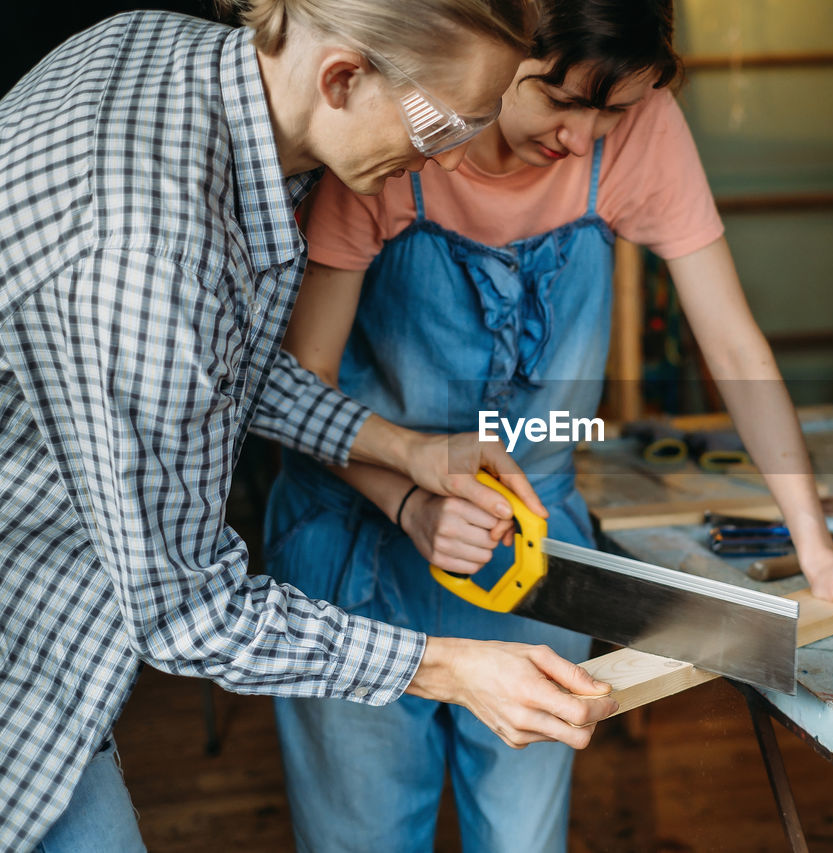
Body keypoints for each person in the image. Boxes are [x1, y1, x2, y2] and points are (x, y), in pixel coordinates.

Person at [265, 0, 833, 849]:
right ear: (496, 52)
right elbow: (296, 386)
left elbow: (733, 344)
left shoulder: (641, 126)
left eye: (611, 111)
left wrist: (817, 547)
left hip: (539, 555)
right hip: (358, 546)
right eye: (557, 98)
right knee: (365, 834)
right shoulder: (396, 134)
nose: (582, 137)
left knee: (524, 835)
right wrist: (410, 502)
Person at [0, 2, 621, 850]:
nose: (446, 158)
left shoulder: (173, 60)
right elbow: (190, 612)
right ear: (342, 78)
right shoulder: (148, 250)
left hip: (54, 645)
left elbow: (218, 373)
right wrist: (445, 664)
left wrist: (407, 450)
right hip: (23, 666)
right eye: (445, 123)